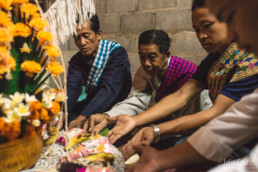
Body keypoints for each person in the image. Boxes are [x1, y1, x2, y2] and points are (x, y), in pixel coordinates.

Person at [109, 0, 258, 164]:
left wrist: (156, 130)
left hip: (240, 144)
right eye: (197, 29)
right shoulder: (214, 59)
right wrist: (135, 121)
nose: (201, 36)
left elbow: (216, 114)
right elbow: (180, 95)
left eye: (207, 25)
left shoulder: (248, 61)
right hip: (221, 134)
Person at [83, 29, 197, 136]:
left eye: (152, 57)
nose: (146, 63)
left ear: (166, 55)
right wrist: (107, 116)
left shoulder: (188, 73)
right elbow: (137, 100)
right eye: (142, 57)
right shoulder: (144, 71)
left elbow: (188, 118)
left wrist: (155, 132)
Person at [67, 14, 132, 129]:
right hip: (92, 104)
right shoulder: (77, 59)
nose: (82, 42)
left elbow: (108, 90)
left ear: (98, 34)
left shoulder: (116, 54)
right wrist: (63, 112)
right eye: (77, 38)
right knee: (65, 118)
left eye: (86, 36)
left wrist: (83, 117)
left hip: (114, 107)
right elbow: (72, 87)